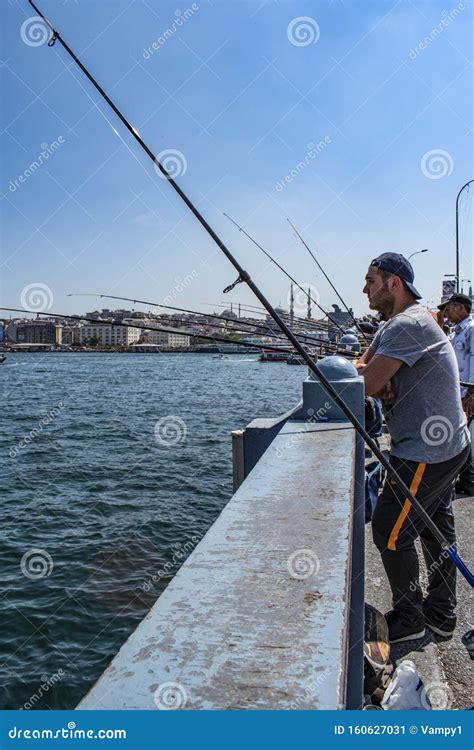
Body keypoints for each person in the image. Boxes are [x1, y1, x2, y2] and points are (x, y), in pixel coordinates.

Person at [356, 253, 470, 644]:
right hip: (448, 444)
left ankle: (410, 618)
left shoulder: (407, 324)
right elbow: (365, 368)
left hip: (427, 451)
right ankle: (441, 616)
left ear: (394, 284)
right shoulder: (400, 324)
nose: (365, 288)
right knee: (436, 529)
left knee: (390, 530)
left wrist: (379, 379)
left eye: (371, 280)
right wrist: (378, 376)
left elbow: (367, 384)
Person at [443, 293, 474, 495]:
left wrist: (471, 393)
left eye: (449, 308)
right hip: (457, 391)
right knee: (459, 435)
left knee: (462, 436)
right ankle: (466, 478)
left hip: (466, 392)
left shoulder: (471, 330)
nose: (446, 312)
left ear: (461, 307)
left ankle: (469, 479)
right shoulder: (457, 331)